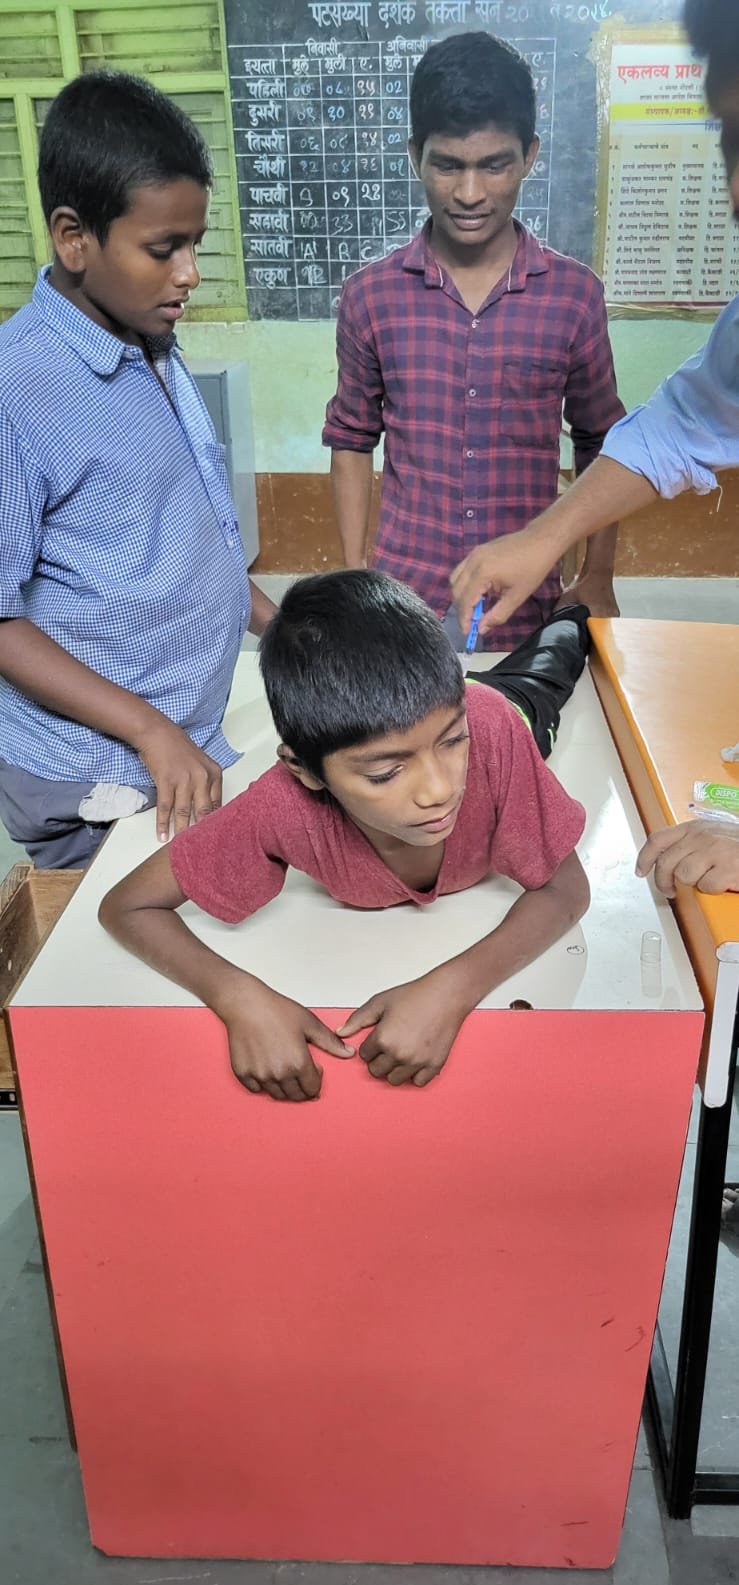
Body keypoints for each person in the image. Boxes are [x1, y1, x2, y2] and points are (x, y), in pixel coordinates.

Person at [99, 571, 590, 1102]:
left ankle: (574, 608)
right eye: (385, 773)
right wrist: (237, 997)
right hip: (461, 708)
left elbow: (566, 889)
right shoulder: (283, 804)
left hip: (513, 711)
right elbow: (128, 906)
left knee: (557, 653)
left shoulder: (489, 730)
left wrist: (454, 989)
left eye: (453, 742)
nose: (440, 789)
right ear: (305, 770)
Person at [451, 0, 739, 895]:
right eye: (731, 143)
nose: (736, 194)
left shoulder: (569, 293)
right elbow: (683, 423)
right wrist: (545, 538)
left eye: (493, 164)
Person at [0, 70, 275, 871]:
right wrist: (151, 731)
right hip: (96, 776)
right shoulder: (18, 389)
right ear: (73, 237)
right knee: (121, 937)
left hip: (181, 741)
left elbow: (175, 542)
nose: (189, 273)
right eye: (163, 249)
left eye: (195, 244)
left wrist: (282, 626)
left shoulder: (146, 343)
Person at [322, 31, 624, 652]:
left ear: (530, 155)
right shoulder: (369, 298)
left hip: (526, 605)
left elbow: (603, 441)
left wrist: (597, 574)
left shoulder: (574, 298)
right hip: (403, 605)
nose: (469, 194)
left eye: (494, 164)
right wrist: (355, 578)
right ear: (415, 155)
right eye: (448, 165)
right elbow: (351, 438)